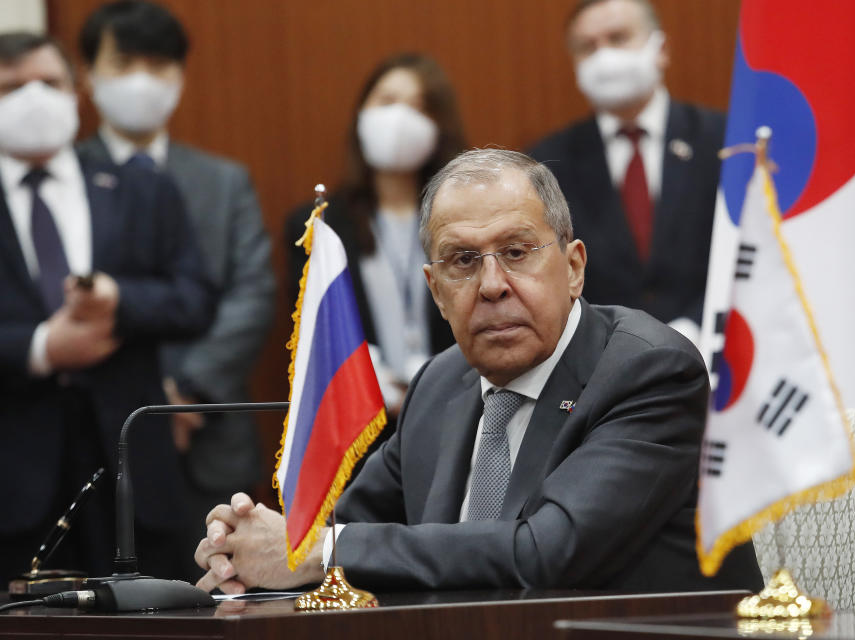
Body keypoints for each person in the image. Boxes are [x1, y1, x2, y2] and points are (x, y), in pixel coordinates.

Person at [195, 149, 762, 593]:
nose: (492, 285)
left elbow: (549, 552)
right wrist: (245, 550)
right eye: (463, 261)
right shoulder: (443, 383)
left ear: (573, 268)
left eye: (517, 252)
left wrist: (318, 552)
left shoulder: (649, 371)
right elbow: (344, 526)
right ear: (436, 292)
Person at [0, 32, 215, 580]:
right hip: (14, 479)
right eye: (10, 87)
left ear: (77, 92)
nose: (32, 99)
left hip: (129, 466)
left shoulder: (140, 187)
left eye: (48, 83)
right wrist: (42, 348)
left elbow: (193, 298)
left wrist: (119, 301)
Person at [74, 0, 275, 558]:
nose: (142, 80)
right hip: (95, 435)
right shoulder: (64, 177)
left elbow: (252, 293)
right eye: (124, 63)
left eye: (158, 65)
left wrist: (185, 394)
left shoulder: (224, 181)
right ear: (87, 75)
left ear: (181, 77)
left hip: (209, 433)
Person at [528, 0, 724, 344]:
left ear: (660, 49)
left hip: (719, 357)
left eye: (618, 39)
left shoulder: (721, 142)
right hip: (603, 364)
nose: (604, 57)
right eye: (588, 47)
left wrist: (693, 329)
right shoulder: (547, 164)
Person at [284, 53, 464, 418]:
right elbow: (315, 331)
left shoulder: (465, 219)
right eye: (387, 101)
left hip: (456, 412)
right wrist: (366, 377)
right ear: (361, 114)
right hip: (358, 422)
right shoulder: (317, 225)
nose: (399, 118)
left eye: (418, 107)